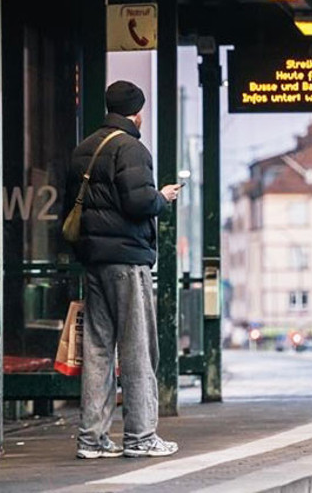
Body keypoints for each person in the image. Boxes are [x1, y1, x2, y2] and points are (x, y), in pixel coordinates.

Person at [66, 80, 182, 459]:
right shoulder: (131, 148)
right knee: (137, 348)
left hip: (94, 260)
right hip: (127, 260)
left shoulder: (85, 148)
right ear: (137, 112)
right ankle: (141, 436)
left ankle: (92, 439)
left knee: (98, 347)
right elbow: (137, 203)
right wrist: (161, 198)